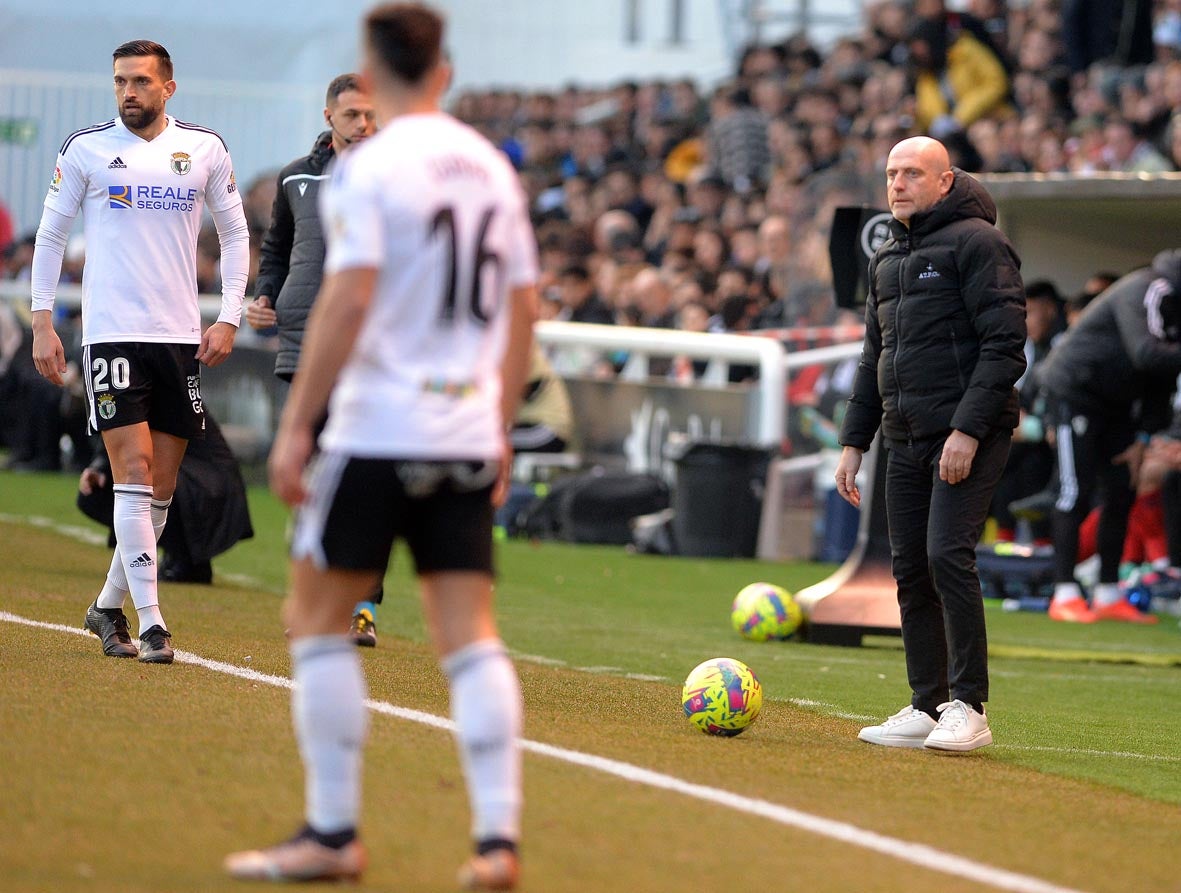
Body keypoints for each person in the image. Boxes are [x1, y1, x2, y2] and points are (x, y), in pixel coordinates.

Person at [224, 4, 537, 889]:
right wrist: (499, 425)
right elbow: (521, 308)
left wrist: (295, 428)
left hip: (372, 429)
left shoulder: (366, 171)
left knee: (315, 619)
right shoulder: (487, 167)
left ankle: (331, 831)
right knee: (469, 636)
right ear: (444, 70)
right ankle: (496, 842)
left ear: (372, 66)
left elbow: (347, 300)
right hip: (463, 430)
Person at [30, 39, 249, 664]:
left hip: (179, 336)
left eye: (142, 82)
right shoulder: (85, 149)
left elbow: (236, 235)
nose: (130, 92)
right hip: (112, 332)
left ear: (168, 88)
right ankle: (151, 623)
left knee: (161, 483)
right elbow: (51, 234)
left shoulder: (203, 148)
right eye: (121, 81)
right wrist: (44, 323)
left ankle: (106, 606)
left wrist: (228, 316)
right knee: (133, 469)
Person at [836, 136, 1026, 752]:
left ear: (945, 182)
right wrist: (853, 444)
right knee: (910, 569)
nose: (898, 184)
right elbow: (875, 358)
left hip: (967, 434)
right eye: (892, 173)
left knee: (948, 555)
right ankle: (927, 703)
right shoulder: (887, 255)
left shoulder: (980, 243)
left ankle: (969, 707)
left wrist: (967, 431)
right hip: (903, 437)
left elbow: (1005, 348)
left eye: (913, 173)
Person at [245, 73, 383, 646]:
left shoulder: (397, 177)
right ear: (330, 116)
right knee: (307, 476)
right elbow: (278, 251)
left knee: (365, 478)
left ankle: (362, 606)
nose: (364, 125)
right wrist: (264, 295)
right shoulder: (295, 177)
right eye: (352, 115)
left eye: (372, 115)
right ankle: (314, 594)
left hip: (372, 345)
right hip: (302, 340)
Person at [1036, 249, 1181, 624]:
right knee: (1074, 489)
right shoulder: (1149, 288)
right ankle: (1064, 592)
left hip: (1116, 404)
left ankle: (1107, 592)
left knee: (1121, 490)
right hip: (1075, 391)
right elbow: (1148, 354)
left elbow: (1161, 379)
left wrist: (1146, 436)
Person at [76, 411, 254, 584]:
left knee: (151, 483)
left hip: (210, 490)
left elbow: (133, 429)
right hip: (201, 484)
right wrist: (99, 466)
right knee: (97, 492)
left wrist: (102, 465)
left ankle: (185, 558)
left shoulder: (165, 392)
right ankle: (176, 554)